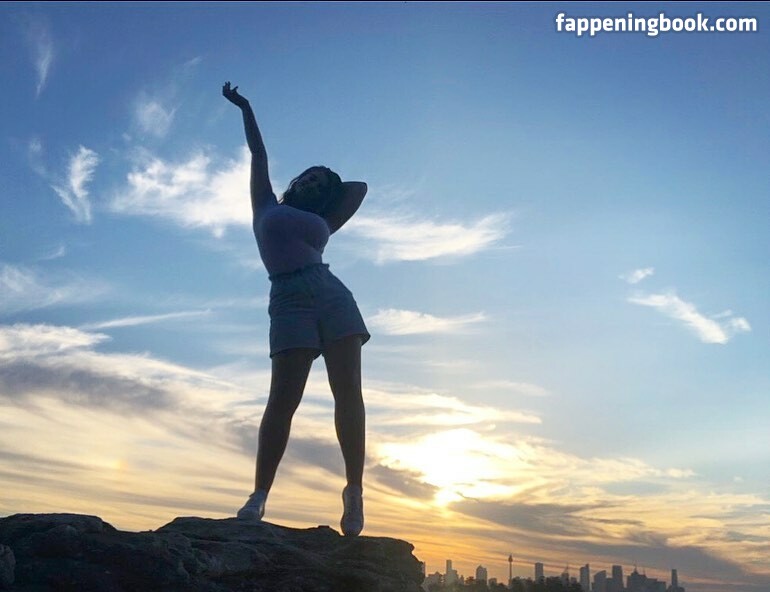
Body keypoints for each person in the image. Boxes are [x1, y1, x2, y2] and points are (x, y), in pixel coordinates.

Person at [222, 81, 370, 536]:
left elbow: (358, 188)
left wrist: (331, 185)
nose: (308, 182)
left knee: (348, 393)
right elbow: (258, 154)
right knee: (282, 400)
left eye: (317, 183)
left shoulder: (325, 220)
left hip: (331, 294)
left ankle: (354, 491)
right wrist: (246, 108)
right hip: (287, 299)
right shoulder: (265, 204)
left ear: (324, 196)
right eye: (305, 177)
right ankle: (259, 495)